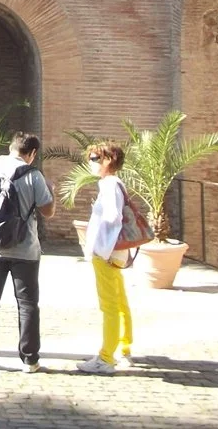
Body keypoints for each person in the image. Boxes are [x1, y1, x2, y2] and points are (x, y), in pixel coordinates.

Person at [0, 132, 55, 373]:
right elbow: (48, 212)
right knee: (27, 304)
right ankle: (30, 359)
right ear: (32, 153)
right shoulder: (34, 175)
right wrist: (51, 191)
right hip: (25, 250)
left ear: (10, 147)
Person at [77, 140, 134, 375]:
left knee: (109, 304)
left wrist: (101, 247)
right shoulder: (116, 184)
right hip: (115, 252)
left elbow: (112, 217)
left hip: (107, 253)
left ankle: (106, 357)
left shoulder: (109, 185)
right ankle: (124, 346)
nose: (90, 163)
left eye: (94, 158)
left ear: (108, 160)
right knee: (119, 301)